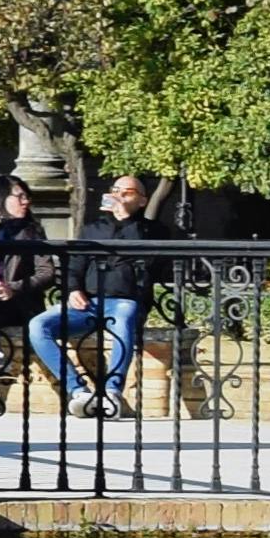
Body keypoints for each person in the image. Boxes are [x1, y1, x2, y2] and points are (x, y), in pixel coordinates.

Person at [33, 173, 161, 413]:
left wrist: (127, 221)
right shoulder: (93, 229)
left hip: (125, 302)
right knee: (39, 326)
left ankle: (112, 391)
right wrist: (73, 290)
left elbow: (148, 259)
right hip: (88, 305)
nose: (119, 196)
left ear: (142, 201)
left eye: (127, 192)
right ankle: (78, 391)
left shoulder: (152, 230)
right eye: (116, 190)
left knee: (123, 318)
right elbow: (75, 265)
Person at [0, 181, 56, 415]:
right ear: (1, 199)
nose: (25, 201)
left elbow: (47, 273)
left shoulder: (31, 232)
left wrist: (13, 288)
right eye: (19, 196)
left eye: (26, 196)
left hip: (17, 304)